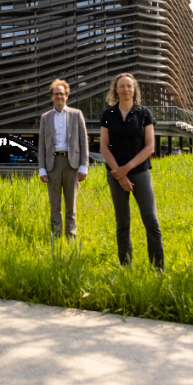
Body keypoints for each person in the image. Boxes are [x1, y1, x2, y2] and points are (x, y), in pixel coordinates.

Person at [99, 73, 165, 270]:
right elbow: (103, 147)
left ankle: (158, 268)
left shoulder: (144, 114)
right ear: (116, 90)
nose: (126, 89)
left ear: (134, 89)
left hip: (140, 173)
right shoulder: (108, 115)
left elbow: (150, 147)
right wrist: (118, 174)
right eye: (122, 86)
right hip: (115, 174)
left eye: (130, 86)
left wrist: (125, 170)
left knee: (151, 220)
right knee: (122, 222)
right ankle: (125, 268)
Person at [38, 79, 89, 238]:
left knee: (70, 206)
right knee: (54, 205)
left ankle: (71, 239)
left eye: (62, 93)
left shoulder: (76, 114)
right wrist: (41, 168)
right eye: (56, 94)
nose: (59, 96)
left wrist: (83, 166)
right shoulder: (45, 117)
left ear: (67, 96)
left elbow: (83, 141)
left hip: (71, 163)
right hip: (52, 165)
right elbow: (41, 145)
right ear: (52, 97)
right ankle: (56, 238)